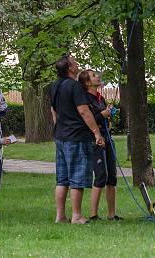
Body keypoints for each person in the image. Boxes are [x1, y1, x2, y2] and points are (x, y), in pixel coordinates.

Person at [48, 54, 104, 224]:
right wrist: (96, 132)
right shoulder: (75, 86)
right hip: (77, 137)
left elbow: (53, 111)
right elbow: (84, 111)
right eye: (74, 61)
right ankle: (77, 215)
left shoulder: (54, 86)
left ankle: (60, 216)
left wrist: (59, 127)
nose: (76, 62)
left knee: (62, 178)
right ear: (70, 68)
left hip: (61, 136)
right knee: (77, 177)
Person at [80, 70, 119, 221]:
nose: (98, 77)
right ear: (88, 83)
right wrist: (101, 115)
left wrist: (109, 113)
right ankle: (93, 214)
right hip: (95, 140)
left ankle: (111, 214)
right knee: (101, 175)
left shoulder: (100, 98)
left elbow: (103, 117)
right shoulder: (85, 99)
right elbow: (87, 119)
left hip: (108, 138)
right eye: (94, 76)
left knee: (112, 176)